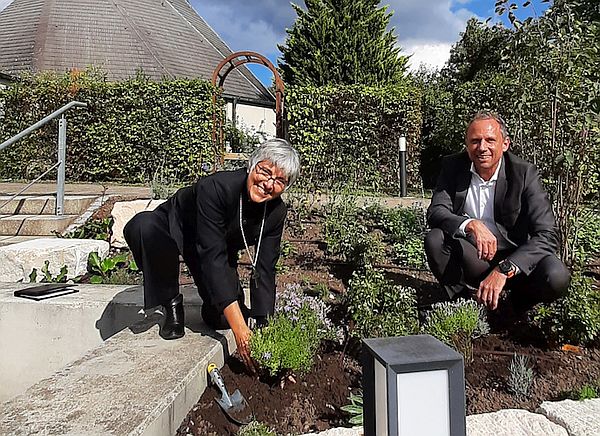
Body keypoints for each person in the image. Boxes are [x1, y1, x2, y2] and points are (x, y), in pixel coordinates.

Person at [124, 139, 300, 371]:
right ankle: (171, 303)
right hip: (179, 226)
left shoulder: (276, 212)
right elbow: (212, 256)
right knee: (144, 226)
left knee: (221, 318)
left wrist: (263, 324)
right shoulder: (216, 187)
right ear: (252, 165)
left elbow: (265, 267)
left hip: (215, 245)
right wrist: (241, 333)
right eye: (265, 171)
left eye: (279, 181)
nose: (268, 184)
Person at [425, 111, 570, 312]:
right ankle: (465, 306)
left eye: (490, 140)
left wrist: (505, 268)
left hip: (518, 260)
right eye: (475, 141)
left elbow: (548, 234)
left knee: (557, 276)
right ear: (467, 145)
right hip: (477, 256)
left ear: (505, 144)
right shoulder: (453, 167)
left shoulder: (524, 173)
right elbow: (436, 212)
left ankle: (516, 308)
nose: (482, 148)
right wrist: (471, 225)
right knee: (435, 239)